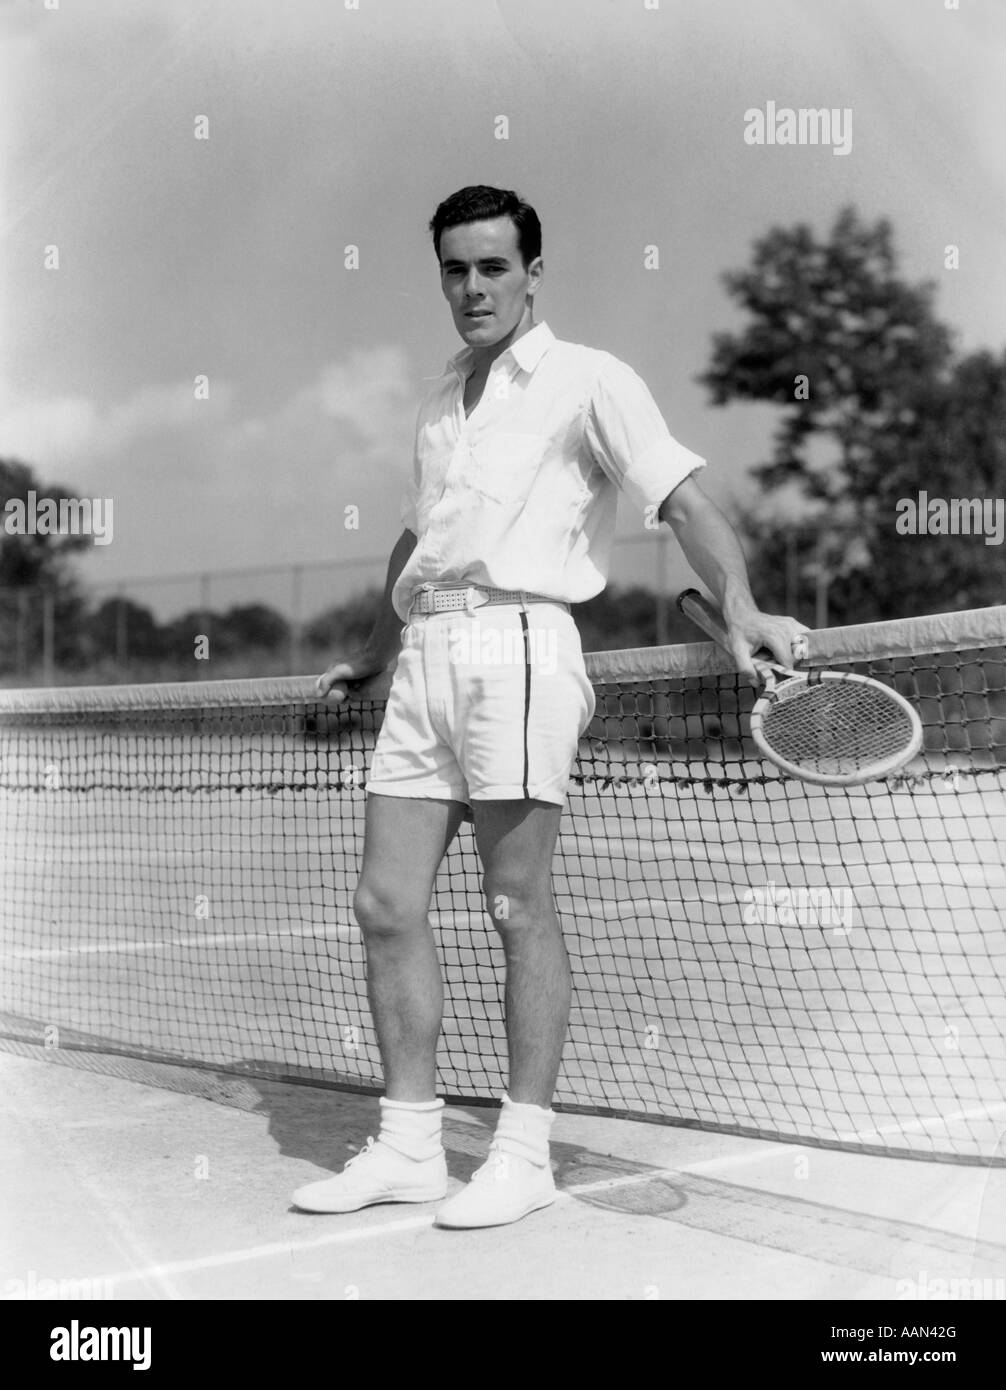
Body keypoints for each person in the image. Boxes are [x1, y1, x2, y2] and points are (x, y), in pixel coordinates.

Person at [292, 184, 805, 1229]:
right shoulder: (443, 396)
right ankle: (408, 1145)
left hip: (521, 644)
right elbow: (418, 539)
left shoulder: (589, 379)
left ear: (533, 272)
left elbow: (687, 502)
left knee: (516, 904)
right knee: (384, 906)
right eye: (454, 269)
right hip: (426, 653)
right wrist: (374, 651)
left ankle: (522, 1153)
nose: (472, 287)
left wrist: (743, 607)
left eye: (492, 267)